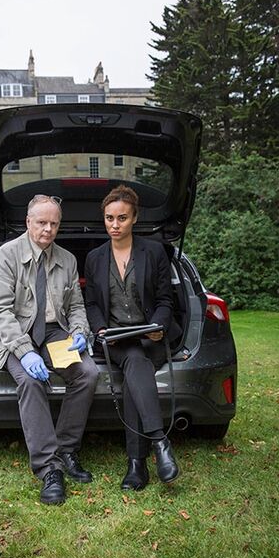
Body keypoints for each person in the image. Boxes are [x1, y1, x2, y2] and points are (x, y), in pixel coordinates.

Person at [0, 194, 98, 505]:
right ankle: (49, 468)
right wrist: (25, 351)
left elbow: (76, 306)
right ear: (28, 222)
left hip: (53, 331)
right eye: (42, 222)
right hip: (13, 332)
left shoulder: (67, 260)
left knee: (87, 373)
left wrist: (80, 332)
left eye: (54, 223)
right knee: (30, 381)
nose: (48, 229)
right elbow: (0, 312)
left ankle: (67, 449)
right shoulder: (6, 256)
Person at [84, 185, 180, 490]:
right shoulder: (95, 258)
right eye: (109, 218)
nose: (115, 225)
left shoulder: (154, 252)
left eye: (122, 218)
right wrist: (101, 330)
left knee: (136, 368)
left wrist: (158, 325)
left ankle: (137, 464)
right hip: (117, 340)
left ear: (134, 218)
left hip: (151, 338)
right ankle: (159, 444)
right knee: (135, 362)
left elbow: (165, 300)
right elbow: (91, 303)